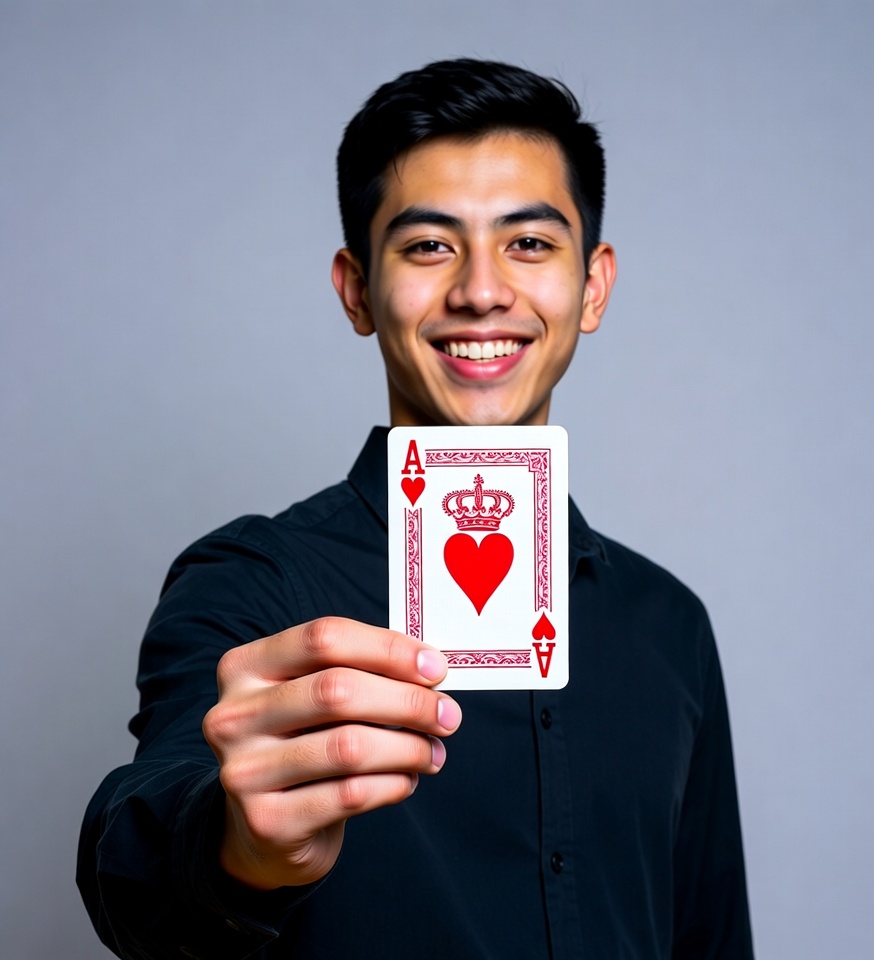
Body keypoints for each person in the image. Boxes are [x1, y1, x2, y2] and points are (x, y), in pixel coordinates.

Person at [78, 58, 754, 958]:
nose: (482, 289)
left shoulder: (669, 625)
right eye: (430, 245)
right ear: (358, 289)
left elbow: (711, 940)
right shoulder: (256, 588)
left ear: (592, 286)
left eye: (529, 244)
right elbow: (136, 858)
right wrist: (240, 845)